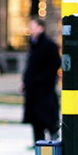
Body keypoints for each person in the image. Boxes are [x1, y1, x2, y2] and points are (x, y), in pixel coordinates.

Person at [22, 15, 61, 145]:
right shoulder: (33, 44)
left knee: (46, 115)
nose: (30, 29)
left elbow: (54, 65)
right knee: (35, 117)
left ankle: (52, 136)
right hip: (33, 88)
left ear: (40, 28)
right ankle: (38, 141)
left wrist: (42, 79)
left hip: (44, 88)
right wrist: (25, 81)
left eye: (32, 26)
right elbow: (30, 65)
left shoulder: (49, 45)